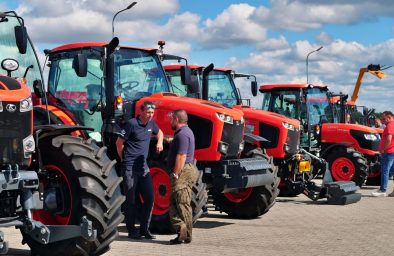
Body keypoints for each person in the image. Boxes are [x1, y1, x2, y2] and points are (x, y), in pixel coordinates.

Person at [116, 101, 164, 239]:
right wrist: (124, 159)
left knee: (149, 198)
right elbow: (119, 143)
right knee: (130, 200)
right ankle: (131, 230)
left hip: (144, 168)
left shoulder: (151, 124)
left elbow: (159, 132)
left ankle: (144, 229)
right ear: (141, 112)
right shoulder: (131, 124)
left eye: (152, 113)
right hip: (130, 168)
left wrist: (160, 142)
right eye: (148, 112)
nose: (150, 115)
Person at [167, 109, 198, 244]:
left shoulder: (182, 135)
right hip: (187, 169)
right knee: (176, 202)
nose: (170, 121)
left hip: (183, 171)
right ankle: (183, 234)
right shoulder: (185, 132)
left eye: (172, 119)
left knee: (181, 203)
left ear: (176, 119)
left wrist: (175, 173)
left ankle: (184, 230)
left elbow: (181, 156)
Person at [372, 111, 394, 197]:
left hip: (388, 152)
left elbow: (388, 139)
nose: (382, 120)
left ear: (389, 117)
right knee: (392, 171)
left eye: (384, 118)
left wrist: (382, 149)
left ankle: (382, 190)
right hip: (392, 151)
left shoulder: (390, 126)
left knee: (385, 171)